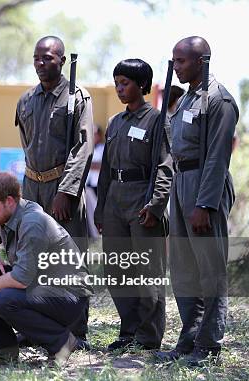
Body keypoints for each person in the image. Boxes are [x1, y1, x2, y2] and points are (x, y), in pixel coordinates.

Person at [155, 36, 239, 366]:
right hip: (181, 182)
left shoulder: (219, 100)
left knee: (210, 270)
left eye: (182, 62)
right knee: (184, 269)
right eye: (174, 61)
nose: (176, 67)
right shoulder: (187, 98)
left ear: (202, 61)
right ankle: (189, 340)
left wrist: (205, 204)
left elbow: (218, 157)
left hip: (206, 184)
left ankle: (210, 345)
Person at [0, 171, 92, 364]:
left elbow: (21, 279)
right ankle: (3, 350)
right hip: (39, 285)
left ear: (9, 201)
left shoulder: (32, 222)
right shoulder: (2, 216)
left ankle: (62, 342)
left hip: (68, 296)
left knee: (3, 298)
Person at [15, 35, 93, 348]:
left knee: (70, 259)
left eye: (47, 58)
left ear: (61, 60)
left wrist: (68, 190)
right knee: (31, 255)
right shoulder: (26, 100)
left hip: (63, 190)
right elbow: (26, 144)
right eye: (37, 57)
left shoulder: (78, 98)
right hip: (32, 188)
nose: (41, 63)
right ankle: (36, 327)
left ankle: (78, 331)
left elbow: (83, 146)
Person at [94, 59, 172, 352]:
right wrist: (101, 208)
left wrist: (155, 205)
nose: (119, 88)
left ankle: (148, 337)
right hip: (115, 200)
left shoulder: (157, 120)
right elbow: (105, 171)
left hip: (143, 201)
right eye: (116, 82)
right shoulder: (115, 122)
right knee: (117, 269)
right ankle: (128, 330)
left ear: (142, 86)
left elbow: (165, 167)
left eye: (125, 83)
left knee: (147, 272)